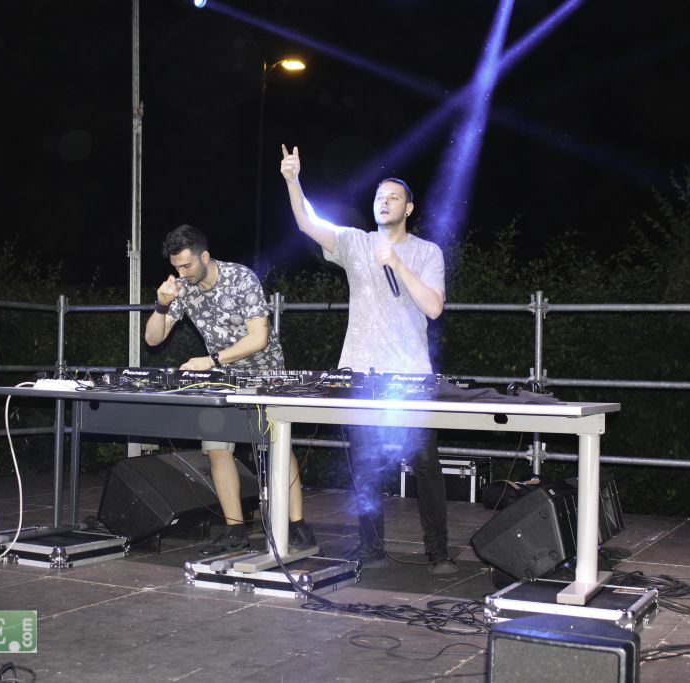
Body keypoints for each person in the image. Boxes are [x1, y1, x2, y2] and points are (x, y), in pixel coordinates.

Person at [279, 145, 457, 575]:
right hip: (360, 373)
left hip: (410, 375)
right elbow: (307, 223)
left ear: (408, 208)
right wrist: (293, 180)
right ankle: (371, 547)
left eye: (393, 197)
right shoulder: (355, 243)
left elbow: (434, 307)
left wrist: (397, 262)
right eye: (380, 196)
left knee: (426, 464)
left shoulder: (427, 252)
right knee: (365, 464)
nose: (384, 202)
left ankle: (438, 551)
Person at [144, 224, 317, 556]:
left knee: (276, 447)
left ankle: (297, 525)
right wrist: (162, 305)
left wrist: (210, 360)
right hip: (223, 378)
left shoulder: (241, 278)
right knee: (217, 449)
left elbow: (259, 338)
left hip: (265, 374)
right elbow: (153, 339)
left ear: (204, 256)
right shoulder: (183, 288)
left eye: (186, 265)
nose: (181, 273)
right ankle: (235, 530)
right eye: (176, 267)